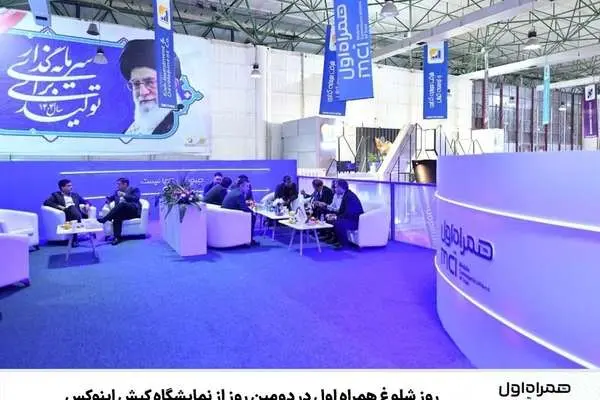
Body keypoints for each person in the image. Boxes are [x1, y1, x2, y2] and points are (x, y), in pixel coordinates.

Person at [119, 39, 182, 135]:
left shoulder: (183, 124)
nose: (142, 92)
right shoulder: (129, 133)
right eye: (136, 84)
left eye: (150, 82)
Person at [44, 179, 92, 246]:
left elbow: (85, 201)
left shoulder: (75, 195)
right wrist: (59, 207)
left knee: (74, 210)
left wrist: (87, 204)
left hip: (76, 213)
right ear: (62, 187)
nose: (71, 187)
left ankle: (75, 238)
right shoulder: (56, 195)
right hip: (66, 214)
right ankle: (75, 238)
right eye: (68, 186)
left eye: (71, 185)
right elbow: (47, 202)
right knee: (72, 208)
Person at [97, 178, 141, 245]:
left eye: (119, 184)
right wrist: (108, 200)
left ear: (125, 184)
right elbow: (111, 198)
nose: (117, 186)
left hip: (133, 211)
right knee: (117, 215)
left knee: (122, 204)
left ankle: (105, 219)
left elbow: (136, 198)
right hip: (123, 213)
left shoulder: (134, 189)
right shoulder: (117, 192)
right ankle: (117, 238)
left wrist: (124, 195)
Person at [325, 179, 364, 250]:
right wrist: (334, 216)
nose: (335, 189)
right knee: (331, 218)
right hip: (349, 218)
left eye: (336, 187)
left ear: (340, 187)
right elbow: (342, 211)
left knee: (338, 223)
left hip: (354, 221)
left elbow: (349, 213)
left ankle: (344, 244)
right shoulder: (346, 195)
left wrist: (336, 217)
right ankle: (336, 240)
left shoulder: (349, 196)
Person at [222, 179, 258, 246]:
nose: (248, 188)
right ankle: (250, 239)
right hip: (231, 217)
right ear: (241, 186)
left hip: (227, 215)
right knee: (253, 217)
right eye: (247, 186)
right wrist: (253, 212)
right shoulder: (239, 194)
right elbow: (244, 208)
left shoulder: (234, 191)